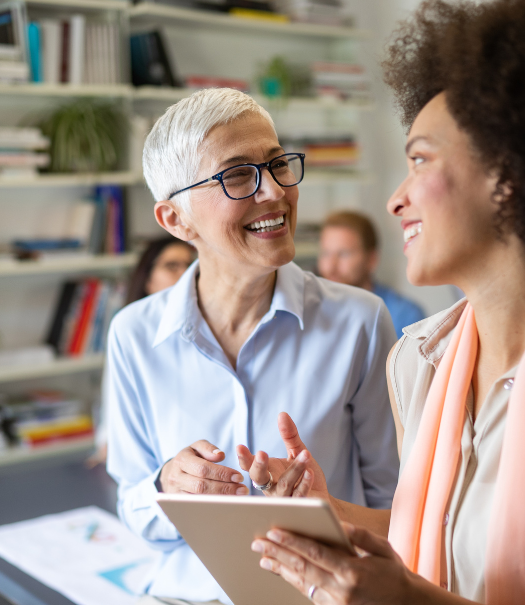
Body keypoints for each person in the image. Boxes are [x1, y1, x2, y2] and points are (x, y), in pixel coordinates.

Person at [243, 1, 525, 603]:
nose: (396, 200)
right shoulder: (418, 362)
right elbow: (442, 538)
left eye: (419, 160)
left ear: (509, 173)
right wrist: (328, 513)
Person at [104, 88, 400, 604]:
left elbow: (400, 512)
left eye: (278, 163)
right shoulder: (133, 334)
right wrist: (166, 485)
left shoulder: (360, 322)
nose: (274, 192)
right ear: (176, 221)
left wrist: (323, 511)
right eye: (237, 175)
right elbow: (133, 505)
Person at [89, 237, 196, 466]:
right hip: (151, 467)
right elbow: (113, 417)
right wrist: (110, 443)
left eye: (189, 266)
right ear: (147, 278)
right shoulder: (130, 332)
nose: (185, 274)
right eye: (172, 266)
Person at [319, 210, 425, 337]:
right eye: (325, 253)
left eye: (344, 254)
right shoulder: (312, 311)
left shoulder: (405, 316)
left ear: (371, 260)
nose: (331, 266)